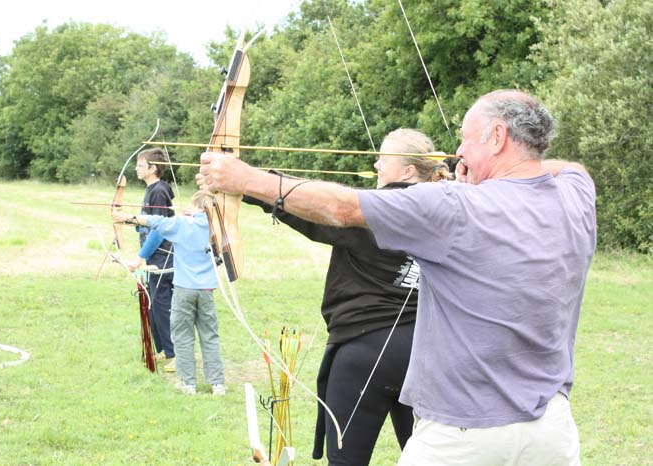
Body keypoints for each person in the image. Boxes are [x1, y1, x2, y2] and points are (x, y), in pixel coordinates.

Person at [197, 89, 596, 466]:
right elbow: (570, 167)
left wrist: (245, 179)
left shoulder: (454, 205)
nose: (457, 154)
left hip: (463, 434)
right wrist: (510, 170)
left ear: (497, 136)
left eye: (466, 139)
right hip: (551, 430)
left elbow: (341, 209)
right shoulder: (576, 195)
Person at [243, 128, 452, 465]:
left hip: (364, 351)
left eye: (384, 159)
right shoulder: (446, 208)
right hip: (423, 351)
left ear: (408, 171)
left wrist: (246, 185)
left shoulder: (376, 210)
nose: (376, 164)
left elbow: (311, 211)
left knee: (346, 461)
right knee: (426, 457)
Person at [113, 191, 226, 396]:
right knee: (209, 336)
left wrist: (125, 218)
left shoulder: (181, 224)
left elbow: (155, 221)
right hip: (206, 291)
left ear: (198, 207)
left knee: (182, 336)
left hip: (184, 290)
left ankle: (188, 384)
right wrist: (195, 216)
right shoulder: (215, 227)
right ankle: (217, 384)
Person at [120, 148, 176, 369]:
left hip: (164, 256)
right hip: (155, 256)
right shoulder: (152, 190)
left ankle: (173, 351)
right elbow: (149, 222)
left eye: (140, 165)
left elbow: (160, 229)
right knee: (153, 303)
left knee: (161, 304)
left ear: (153, 168)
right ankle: (163, 349)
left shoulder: (159, 190)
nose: (136, 168)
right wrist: (128, 221)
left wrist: (139, 257)